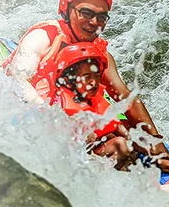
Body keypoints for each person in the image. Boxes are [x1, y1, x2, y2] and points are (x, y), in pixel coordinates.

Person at [2, 0, 169, 173]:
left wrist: (157, 148)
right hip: (37, 112)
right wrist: (50, 120)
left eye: (101, 17)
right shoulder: (44, 37)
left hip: (73, 113)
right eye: (86, 13)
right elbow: (18, 79)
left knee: (127, 134)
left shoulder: (100, 54)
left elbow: (125, 97)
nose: (94, 22)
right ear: (67, 10)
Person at [51, 42, 137, 170]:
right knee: (120, 145)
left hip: (98, 149)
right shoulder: (59, 105)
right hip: (75, 159)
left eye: (97, 75)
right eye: (86, 77)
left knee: (125, 145)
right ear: (69, 79)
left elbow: (119, 127)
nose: (94, 82)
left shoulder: (95, 98)